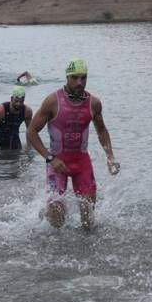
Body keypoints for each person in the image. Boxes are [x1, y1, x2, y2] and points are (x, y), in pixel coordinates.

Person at [26, 57, 120, 230]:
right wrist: (50, 158)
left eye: (83, 77)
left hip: (82, 164)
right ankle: (45, 216)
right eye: (75, 77)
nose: (80, 82)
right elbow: (31, 132)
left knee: (88, 222)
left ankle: (86, 254)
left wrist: (110, 156)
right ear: (67, 77)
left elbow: (101, 131)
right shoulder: (52, 101)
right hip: (57, 164)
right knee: (57, 221)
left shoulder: (94, 103)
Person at [0, 85, 33, 150]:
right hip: (0, 142)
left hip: (16, 142)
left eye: (21, 101)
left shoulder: (27, 111)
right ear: (11, 99)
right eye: (16, 101)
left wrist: (29, 148)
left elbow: (30, 130)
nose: (18, 104)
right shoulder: (1, 110)